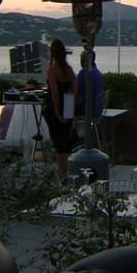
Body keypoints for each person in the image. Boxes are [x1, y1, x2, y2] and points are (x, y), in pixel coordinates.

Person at [43, 38, 77, 178]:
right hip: (68, 107)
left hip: (55, 108)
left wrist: (57, 112)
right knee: (65, 141)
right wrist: (72, 109)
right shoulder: (69, 70)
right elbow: (75, 89)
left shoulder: (52, 70)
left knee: (58, 142)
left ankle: (61, 172)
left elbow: (55, 93)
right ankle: (66, 171)